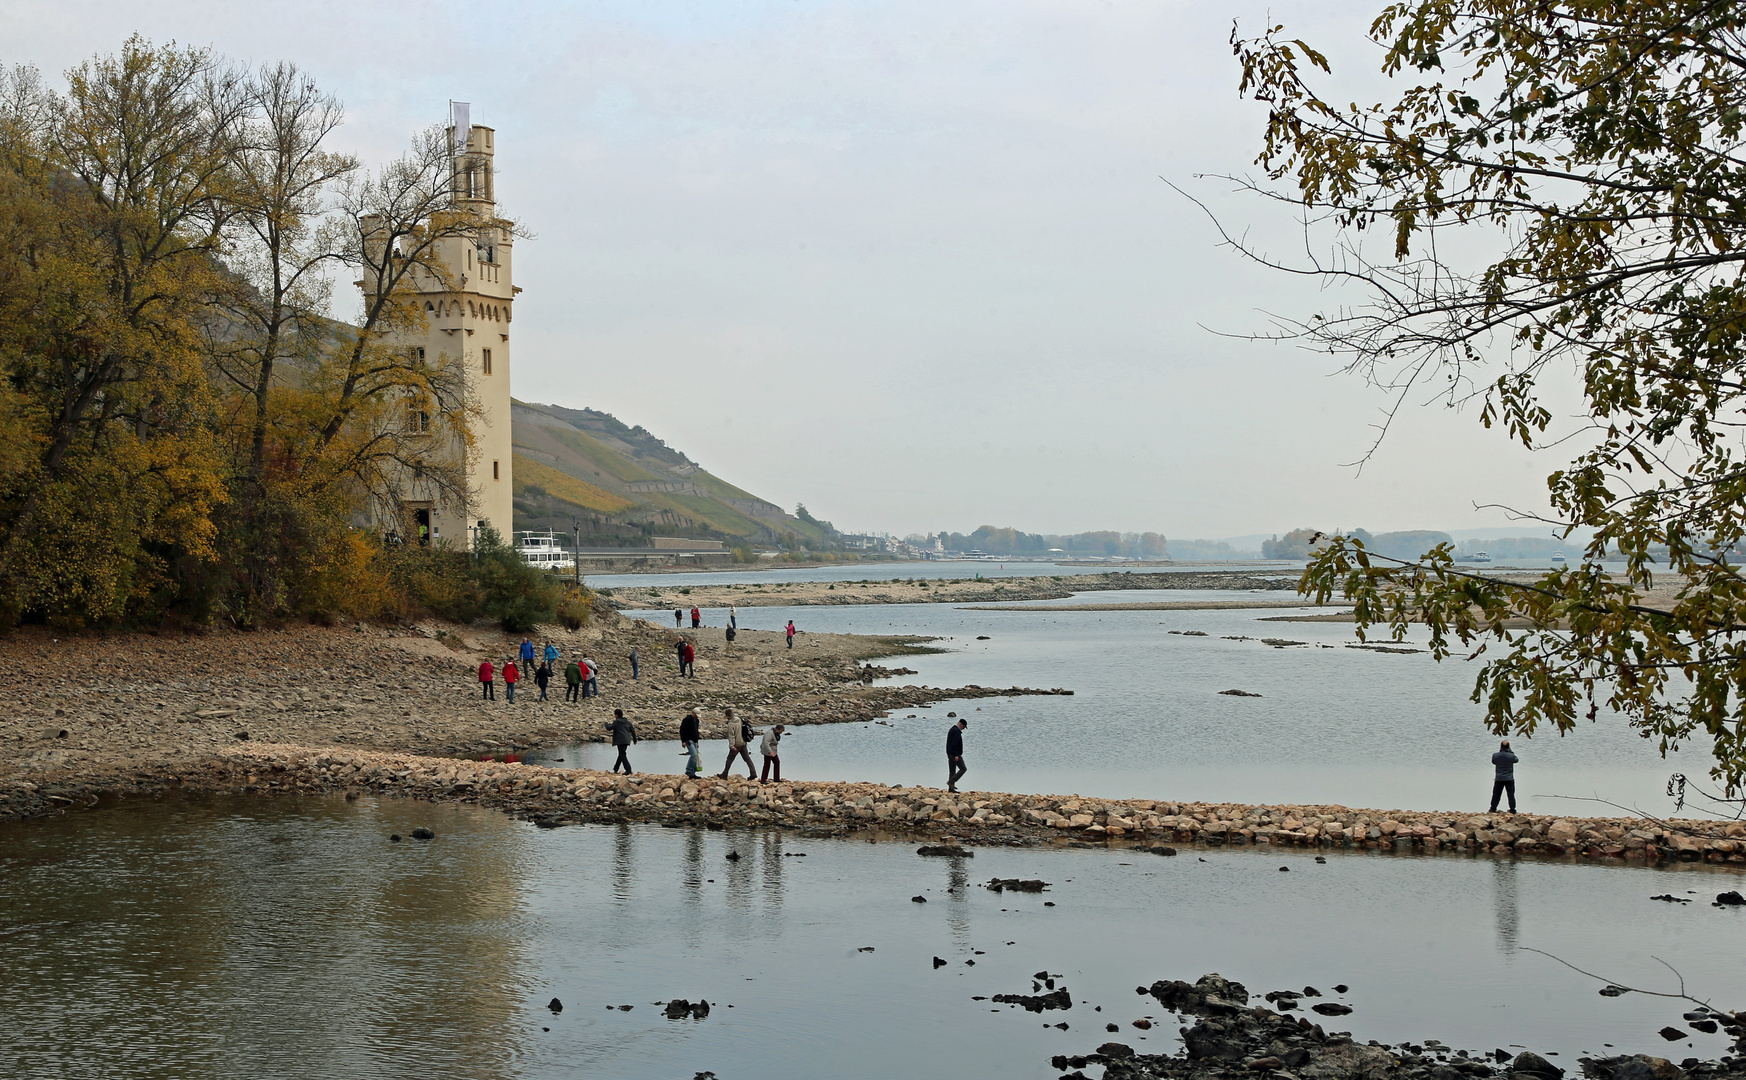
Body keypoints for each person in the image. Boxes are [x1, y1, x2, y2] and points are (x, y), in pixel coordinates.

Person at [719, 708, 756, 779]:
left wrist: (732, 746)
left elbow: (731, 736)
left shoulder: (730, 724)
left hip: (736, 744)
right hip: (743, 742)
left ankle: (724, 774)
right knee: (747, 759)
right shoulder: (739, 719)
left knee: (729, 759)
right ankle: (753, 773)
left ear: (727, 716)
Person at [1489, 739, 1519, 813]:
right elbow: (1516, 760)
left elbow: (1493, 762)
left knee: (1496, 794)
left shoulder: (1495, 755)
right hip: (1509, 778)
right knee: (1511, 795)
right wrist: (1511, 751)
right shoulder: (1511, 755)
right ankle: (1512, 809)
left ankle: (1493, 809)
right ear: (1508, 747)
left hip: (1499, 778)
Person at [606, 709, 637, 774]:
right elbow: (633, 731)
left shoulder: (617, 722)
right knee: (621, 754)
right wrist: (635, 739)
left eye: (615, 715)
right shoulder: (628, 722)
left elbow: (609, 728)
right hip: (626, 740)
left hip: (620, 740)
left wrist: (606, 724)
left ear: (616, 715)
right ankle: (615, 769)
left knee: (622, 755)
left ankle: (628, 770)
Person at [946, 718, 968, 793]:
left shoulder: (953, 729)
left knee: (952, 771)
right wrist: (956, 755)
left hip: (950, 753)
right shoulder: (956, 731)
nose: (963, 729)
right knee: (963, 768)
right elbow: (954, 744)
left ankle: (951, 789)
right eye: (964, 727)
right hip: (954, 754)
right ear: (961, 724)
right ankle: (951, 782)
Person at [680, 709, 702, 780]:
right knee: (694, 755)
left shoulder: (697, 721)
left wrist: (697, 742)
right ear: (693, 713)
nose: (697, 717)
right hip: (688, 740)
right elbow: (682, 730)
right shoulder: (686, 720)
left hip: (695, 741)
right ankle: (689, 770)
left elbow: (696, 731)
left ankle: (692, 773)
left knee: (695, 756)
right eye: (696, 715)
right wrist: (683, 741)